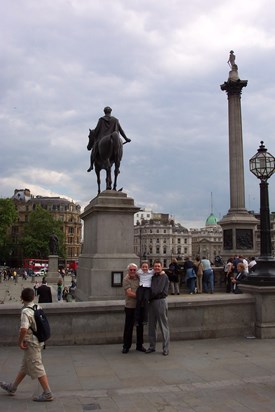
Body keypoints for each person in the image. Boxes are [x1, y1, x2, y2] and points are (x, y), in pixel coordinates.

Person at [0, 287, 53, 402]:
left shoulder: (25, 311)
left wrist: (19, 342)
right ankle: (12, 387)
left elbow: (24, 329)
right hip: (38, 340)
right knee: (25, 366)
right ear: (33, 297)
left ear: (21, 298)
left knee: (37, 366)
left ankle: (47, 393)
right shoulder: (37, 307)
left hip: (31, 343)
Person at [87, 106, 131, 171]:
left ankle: (91, 165)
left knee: (93, 151)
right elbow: (121, 130)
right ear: (110, 112)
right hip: (114, 139)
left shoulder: (101, 119)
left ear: (104, 112)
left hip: (102, 138)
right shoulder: (115, 120)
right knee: (119, 146)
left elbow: (97, 130)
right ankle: (117, 162)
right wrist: (126, 138)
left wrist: (93, 133)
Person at [146, 260, 170, 356]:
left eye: (158, 266)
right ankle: (152, 346)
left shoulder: (164, 277)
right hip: (151, 302)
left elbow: (158, 290)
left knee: (163, 326)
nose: (156, 268)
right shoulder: (152, 277)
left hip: (160, 301)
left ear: (162, 267)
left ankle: (165, 348)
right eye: (155, 266)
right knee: (151, 326)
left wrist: (149, 295)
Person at [122, 263, 145, 353]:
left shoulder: (140, 278)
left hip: (140, 306)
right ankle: (126, 346)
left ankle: (139, 345)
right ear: (128, 271)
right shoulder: (126, 279)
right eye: (131, 270)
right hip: (130, 306)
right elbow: (129, 293)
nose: (132, 271)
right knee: (128, 327)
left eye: (134, 270)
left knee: (140, 327)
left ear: (136, 271)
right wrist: (140, 297)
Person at [135, 261, 154, 326]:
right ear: (141, 267)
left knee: (146, 300)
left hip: (148, 288)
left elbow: (159, 271)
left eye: (146, 267)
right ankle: (136, 320)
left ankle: (145, 319)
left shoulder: (151, 272)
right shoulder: (139, 272)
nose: (144, 268)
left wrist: (163, 272)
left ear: (148, 267)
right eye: (143, 267)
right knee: (139, 300)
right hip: (141, 287)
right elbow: (133, 272)